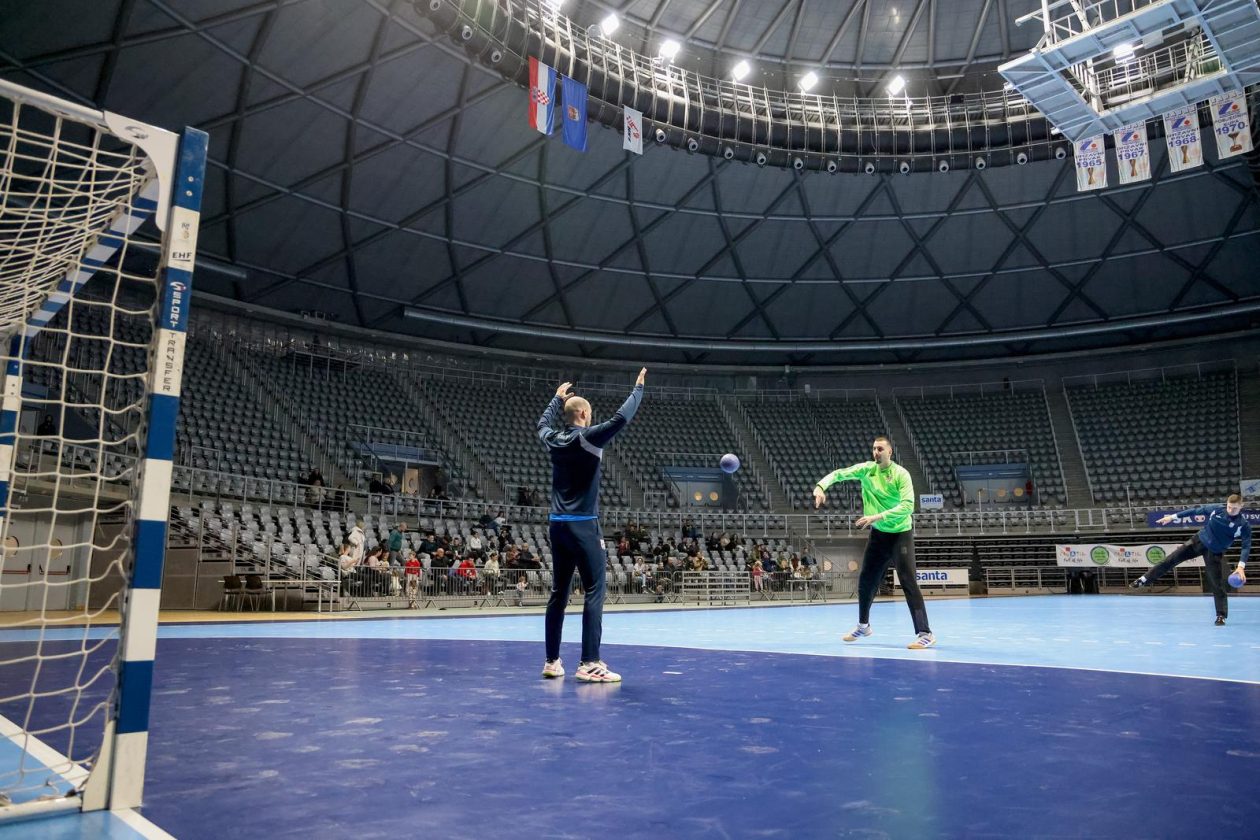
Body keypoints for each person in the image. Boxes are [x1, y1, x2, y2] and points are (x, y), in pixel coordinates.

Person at [537, 368, 645, 682]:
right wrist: (638, 388)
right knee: (595, 590)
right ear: (584, 414)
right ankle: (589, 662)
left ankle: (552, 661)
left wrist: (556, 400)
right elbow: (621, 418)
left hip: (556, 525)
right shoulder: (589, 436)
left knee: (558, 592)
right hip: (584, 526)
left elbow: (542, 424)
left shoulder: (553, 439)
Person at [814, 435, 935, 649]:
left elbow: (908, 506)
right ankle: (863, 625)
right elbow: (840, 474)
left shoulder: (901, 474)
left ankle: (925, 633)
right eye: (873, 449)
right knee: (866, 581)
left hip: (900, 534)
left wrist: (875, 517)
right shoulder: (867, 470)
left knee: (908, 581)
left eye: (880, 449)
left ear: (890, 452)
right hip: (879, 536)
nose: (876, 452)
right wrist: (820, 487)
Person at [1130, 493, 1250, 625]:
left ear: (1241, 506)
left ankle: (1221, 616)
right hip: (1198, 541)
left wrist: (1240, 567)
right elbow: (1194, 511)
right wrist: (1172, 517)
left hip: (1214, 552)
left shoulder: (1243, 525)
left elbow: (1246, 545)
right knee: (1171, 559)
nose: (1231, 510)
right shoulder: (1217, 509)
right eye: (1229, 507)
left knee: (1217, 585)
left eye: (1234, 508)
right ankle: (1144, 579)